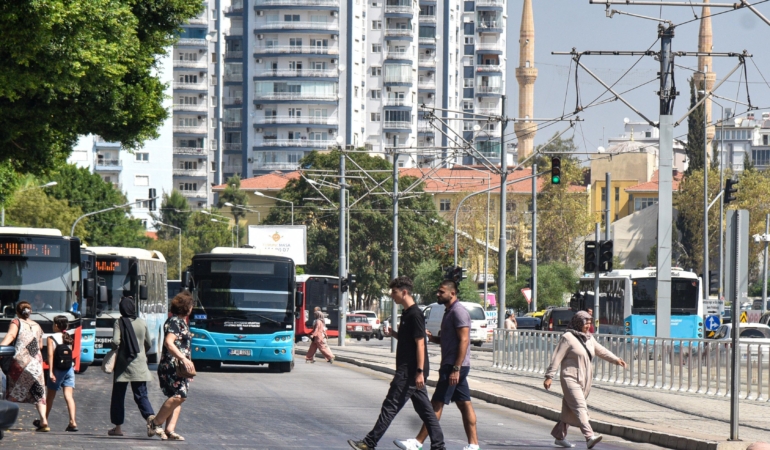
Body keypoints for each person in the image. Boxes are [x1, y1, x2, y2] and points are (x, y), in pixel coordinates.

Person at [348, 276, 445, 450]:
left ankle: (369, 443)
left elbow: (420, 343)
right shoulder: (408, 314)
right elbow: (408, 340)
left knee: (390, 405)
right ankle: (439, 446)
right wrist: (393, 333)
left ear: (404, 292)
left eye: (394, 292)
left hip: (410, 371)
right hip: (410, 370)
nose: (392, 296)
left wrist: (420, 371)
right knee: (426, 411)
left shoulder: (415, 314)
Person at [396, 280, 479, 450]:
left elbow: (464, 341)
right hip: (454, 365)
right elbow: (451, 340)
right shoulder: (449, 312)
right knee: (464, 404)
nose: (438, 294)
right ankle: (474, 445)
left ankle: (418, 442)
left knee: (435, 404)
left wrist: (455, 368)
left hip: (454, 366)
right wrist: (433, 338)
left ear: (452, 293)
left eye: (441, 292)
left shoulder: (458, 312)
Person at [543, 311, 627, 449]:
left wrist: (616, 359)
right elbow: (556, 357)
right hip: (570, 378)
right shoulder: (568, 337)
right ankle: (589, 437)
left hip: (585, 380)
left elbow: (602, 351)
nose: (588, 326)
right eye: (585, 323)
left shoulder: (589, 338)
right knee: (580, 406)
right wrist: (549, 376)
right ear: (578, 322)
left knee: (570, 409)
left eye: (589, 323)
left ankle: (559, 436)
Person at [148, 292, 196, 441]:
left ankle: (169, 430)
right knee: (179, 396)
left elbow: (184, 345)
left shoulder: (181, 322)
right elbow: (169, 342)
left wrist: (188, 367)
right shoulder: (175, 322)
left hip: (180, 367)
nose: (192, 308)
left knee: (177, 397)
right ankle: (155, 423)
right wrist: (183, 359)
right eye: (191, 305)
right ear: (186, 307)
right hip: (172, 365)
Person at [108, 297, 157, 438]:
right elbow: (148, 343)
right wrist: (140, 351)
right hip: (140, 364)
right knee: (141, 395)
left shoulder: (119, 322)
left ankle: (117, 429)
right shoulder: (142, 322)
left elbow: (115, 341)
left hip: (123, 366)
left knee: (118, 397)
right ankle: (151, 419)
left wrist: (116, 349)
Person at [0, 301, 49, 431]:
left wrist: (0, 349)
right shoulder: (37, 326)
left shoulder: (16, 322)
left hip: (20, 361)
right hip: (36, 363)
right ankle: (44, 420)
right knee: (39, 392)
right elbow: (40, 346)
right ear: (30, 311)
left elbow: (10, 336)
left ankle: (5, 419)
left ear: (17, 311)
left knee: (11, 389)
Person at [43, 315, 78, 432]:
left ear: (56, 325)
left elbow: (51, 355)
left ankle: (44, 420)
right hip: (69, 369)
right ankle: (73, 421)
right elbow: (68, 355)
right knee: (69, 396)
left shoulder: (51, 338)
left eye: (53, 324)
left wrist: (51, 372)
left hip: (57, 370)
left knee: (50, 397)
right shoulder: (68, 337)